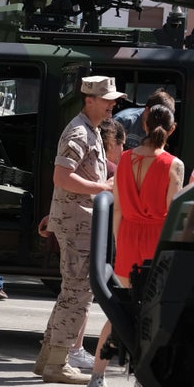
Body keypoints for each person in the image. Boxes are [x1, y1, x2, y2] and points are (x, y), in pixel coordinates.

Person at [87, 104, 184, 387]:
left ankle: (97, 376)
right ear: (172, 129)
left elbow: (115, 212)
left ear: (143, 125)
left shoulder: (126, 159)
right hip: (156, 241)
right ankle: (142, 383)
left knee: (120, 311)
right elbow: (172, 215)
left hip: (128, 236)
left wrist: (119, 242)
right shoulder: (173, 164)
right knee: (151, 316)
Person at [33, 74, 123, 385]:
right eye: (108, 100)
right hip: (78, 225)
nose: (112, 105)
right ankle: (58, 362)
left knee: (70, 292)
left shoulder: (91, 130)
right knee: (78, 294)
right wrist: (102, 187)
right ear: (89, 100)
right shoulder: (78, 132)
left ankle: (48, 358)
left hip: (78, 221)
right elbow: (62, 177)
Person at [66, 117, 127, 370]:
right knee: (82, 294)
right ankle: (73, 349)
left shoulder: (96, 166)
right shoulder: (111, 170)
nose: (123, 152)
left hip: (81, 228)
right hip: (92, 234)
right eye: (121, 145)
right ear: (112, 143)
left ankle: (70, 347)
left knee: (77, 293)